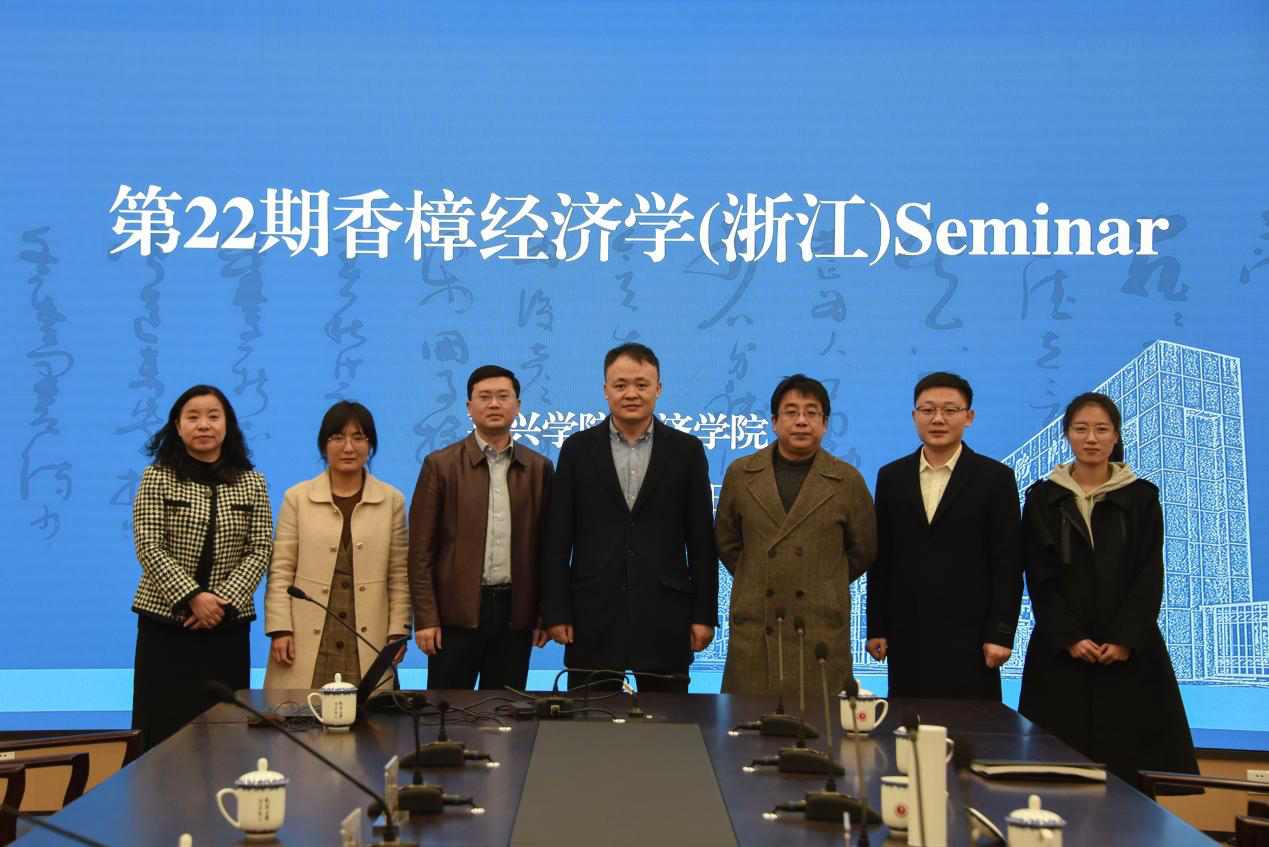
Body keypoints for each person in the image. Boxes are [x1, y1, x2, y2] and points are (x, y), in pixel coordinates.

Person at [1018, 392, 1197, 785]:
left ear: (1116, 436)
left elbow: (1149, 573)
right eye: (1081, 429)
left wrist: (1125, 638)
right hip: (1060, 654)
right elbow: (1038, 576)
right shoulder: (1043, 498)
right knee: (1055, 774)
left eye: (1101, 429)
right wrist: (1068, 636)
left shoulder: (1142, 497)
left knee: (1127, 774)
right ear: (1067, 434)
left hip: (1126, 655)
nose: (1091, 438)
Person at [541, 343, 717, 693]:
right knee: (590, 721)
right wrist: (556, 611)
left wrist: (704, 615)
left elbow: (701, 542)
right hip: (593, 613)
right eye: (620, 385)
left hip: (666, 615)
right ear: (605, 390)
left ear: (658, 388)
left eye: (641, 384)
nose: (631, 394)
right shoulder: (577, 449)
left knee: (669, 722)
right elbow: (558, 538)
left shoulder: (687, 450)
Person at [130, 385, 273, 750]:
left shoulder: (252, 482)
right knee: (162, 734)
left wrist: (219, 602)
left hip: (225, 628)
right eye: (193, 417)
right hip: (165, 626)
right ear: (178, 427)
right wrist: (193, 597)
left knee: (225, 736)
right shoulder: (157, 477)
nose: (203, 425)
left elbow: (259, 550)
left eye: (213, 416)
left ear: (228, 425)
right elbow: (148, 544)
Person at [714, 374, 876, 694]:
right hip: (757, 621)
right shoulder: (741, 474)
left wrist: (822, 579)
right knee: (747, 720)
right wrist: (759, 572)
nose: (801, 421)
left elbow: (864, 549)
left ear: (825, 423)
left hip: (819, 625)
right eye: (791, 412)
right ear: (774, 421)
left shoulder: (847, 480)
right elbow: (727, 542)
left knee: (820, 719)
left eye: (811, 412)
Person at [866, 372, 1022, 700]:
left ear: (969, 416)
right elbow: (882, 559)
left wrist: (1001, 633)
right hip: (908, 635)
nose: (938, 419)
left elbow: (1007, 563)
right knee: (907, 724)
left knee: (973, 726)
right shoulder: (892, 476)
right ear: (914, 417)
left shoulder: (995, 478)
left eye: (950, 410)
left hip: (972, 638)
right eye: (927, 410)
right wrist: (877, 627)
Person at [408, 366, 554, 690]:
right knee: (446, 712)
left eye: (503, 396)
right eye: (484, 397)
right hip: (453, 617)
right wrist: (426, 618)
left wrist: (546, 613)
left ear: (518, 405)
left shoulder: (539, 469)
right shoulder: (441, 465)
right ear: (469, 407)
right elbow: (420, 553)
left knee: (505, 712)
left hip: (515, 616)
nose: (494, 404)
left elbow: (548, 550)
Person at [263, 401, 410, 691]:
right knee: (300, 713)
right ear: (324, 444)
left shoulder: (391, 500)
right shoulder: (297, 497)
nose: (348, 447)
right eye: (338, 437)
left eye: (359, 437)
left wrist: (398, 632)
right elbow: (280, 571)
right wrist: (280, 628)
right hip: (305, 637)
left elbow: (399, 575)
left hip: (367, 636)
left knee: (369, 715)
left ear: (371, 445)